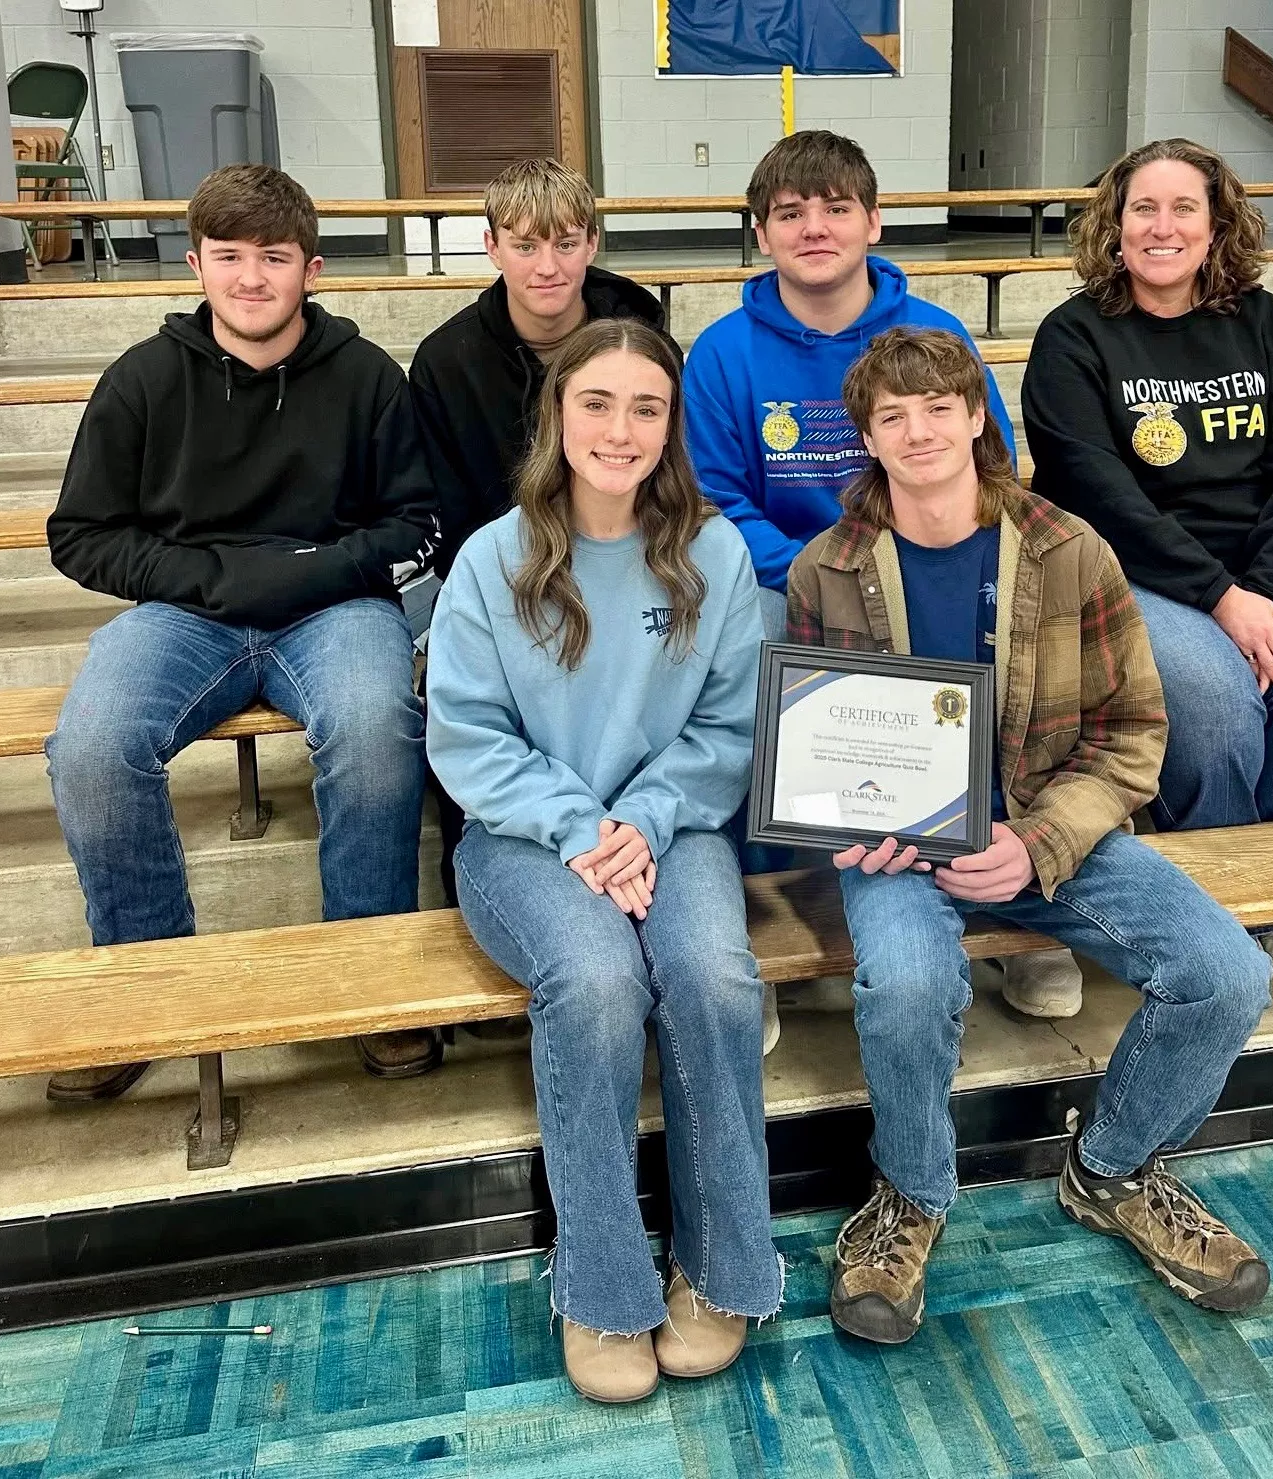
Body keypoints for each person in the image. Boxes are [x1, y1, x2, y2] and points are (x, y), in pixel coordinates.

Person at [788, 326, 1273, 1344]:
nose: (917, 431)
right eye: (891, 416)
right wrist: (858, 827)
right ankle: (911, 1196)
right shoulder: (825, 570)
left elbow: (1132, 733)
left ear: (976, 417)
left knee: (1224, 973)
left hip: (1054, 828)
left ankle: (1109, 1170)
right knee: (910, 984)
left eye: (937, 407)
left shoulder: (1066, 550)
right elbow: (820, 746)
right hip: (905, 855)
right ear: (866, 438)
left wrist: (1039, 840)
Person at [426, 318, 779, 1404]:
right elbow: (468, 737)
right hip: (524, 840)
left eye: (645, 408)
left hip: (669, 830)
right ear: (556, 415)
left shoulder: (710, 554)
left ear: (670, 427)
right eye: (596, 403)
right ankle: (600, 1289)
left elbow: (725, 733)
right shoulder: (495, 558)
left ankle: (722, 1271)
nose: (618, 430)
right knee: (592, 982)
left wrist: (647, 821)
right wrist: (583, 829)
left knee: (716, 981)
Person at [45, 165, 440, 1098]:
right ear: (195, 264)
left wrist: (309, 571)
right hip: (185, 610)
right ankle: (145, 985)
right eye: (229, 257)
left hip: (335, 607)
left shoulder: (367, 377)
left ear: (312, 267)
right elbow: (80, 534)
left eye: (274, 257)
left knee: (379, 729)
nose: (251, 277)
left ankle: (372, 979)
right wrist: (206, 576)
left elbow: (416, 523)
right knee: (94, 747)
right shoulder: (142, 379)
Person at [685, 128, 1076, 1018]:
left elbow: (995, 477)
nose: (814, 227)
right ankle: (770, 925)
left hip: (931, 561)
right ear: (761, 230)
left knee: (1017, 650)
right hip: (790, 581)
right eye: (790, 213)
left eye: (835, 208)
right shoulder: (722, 352)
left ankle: (1028, 913)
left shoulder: (933, 333)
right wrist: (836, 568)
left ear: (875, 222)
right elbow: (715, 505)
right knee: (753, 660)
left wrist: (908, 566)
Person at [1022, 138, 1273, 980]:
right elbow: (1096, 488)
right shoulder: (1074, 337)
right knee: (1210, 699)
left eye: (1183, 207)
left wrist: (1268, 586)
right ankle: (1220, 884)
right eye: (1142, 208)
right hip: (1139, 565)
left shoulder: (1263, 322)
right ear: (1114, 227)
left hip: (1270, 561)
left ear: (1216, 223)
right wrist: (1221, 596)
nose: (1162, 226)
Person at [409, 157, 676, 904]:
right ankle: (475, 881)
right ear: (491, 248)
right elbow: (450, 517)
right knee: (448, 686)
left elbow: (657, 465)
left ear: (592, 242)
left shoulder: (639, 326)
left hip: (623, 553)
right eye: (525, 245)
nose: (547, 265)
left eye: (564, 242)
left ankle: (650, 851)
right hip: (501, 571)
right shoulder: (446, 361)